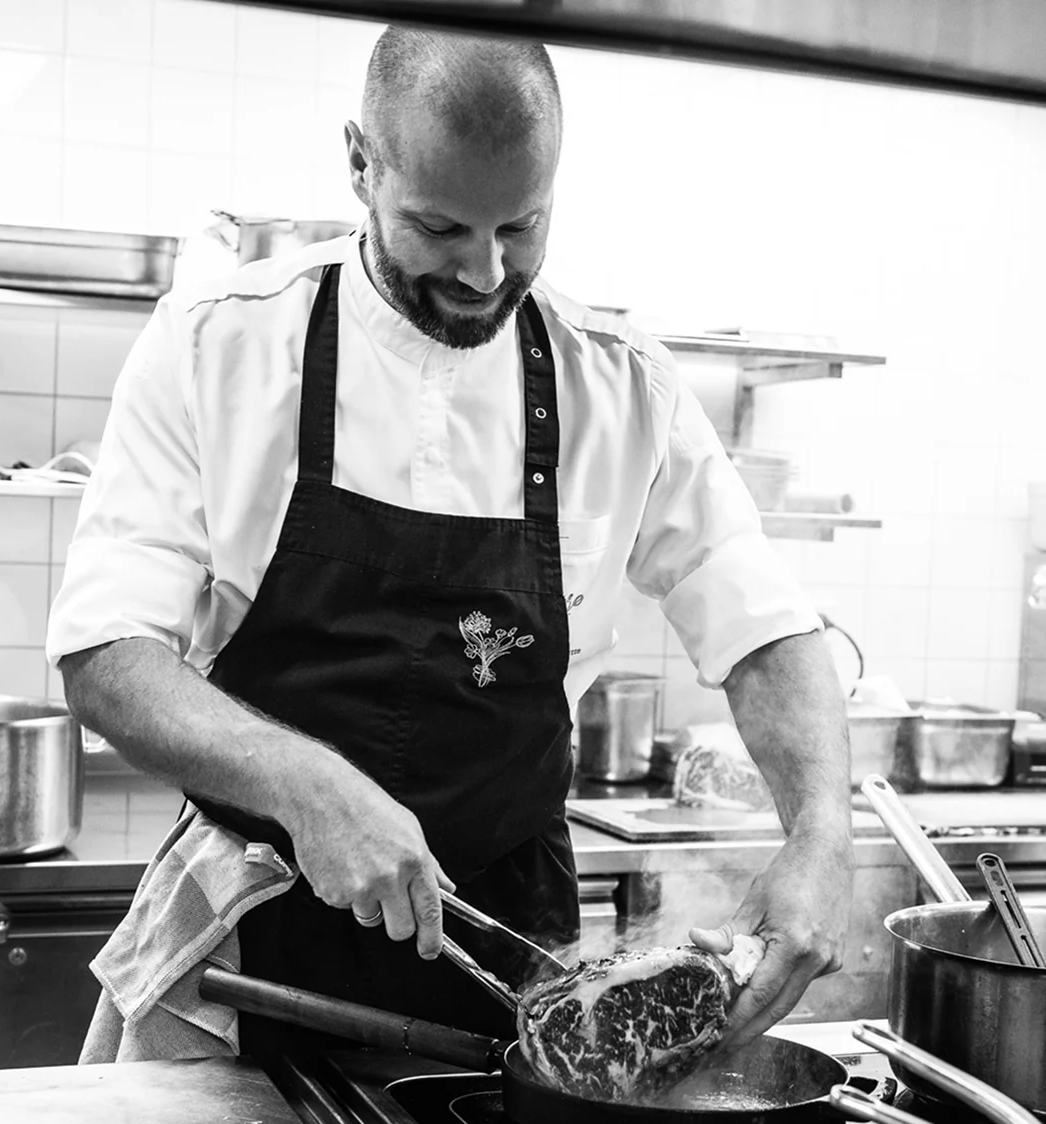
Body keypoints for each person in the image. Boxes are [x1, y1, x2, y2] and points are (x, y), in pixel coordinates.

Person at [48, 26, 854, 1060]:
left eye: (522, 225)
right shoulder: (219, 344)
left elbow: (764, 628)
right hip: (250, 939)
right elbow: (107, 658)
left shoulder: (619, 384)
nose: (483, 271)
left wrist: (821, 835)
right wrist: (313, 789)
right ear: (359, 163)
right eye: (440, 226)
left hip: (518, 960)